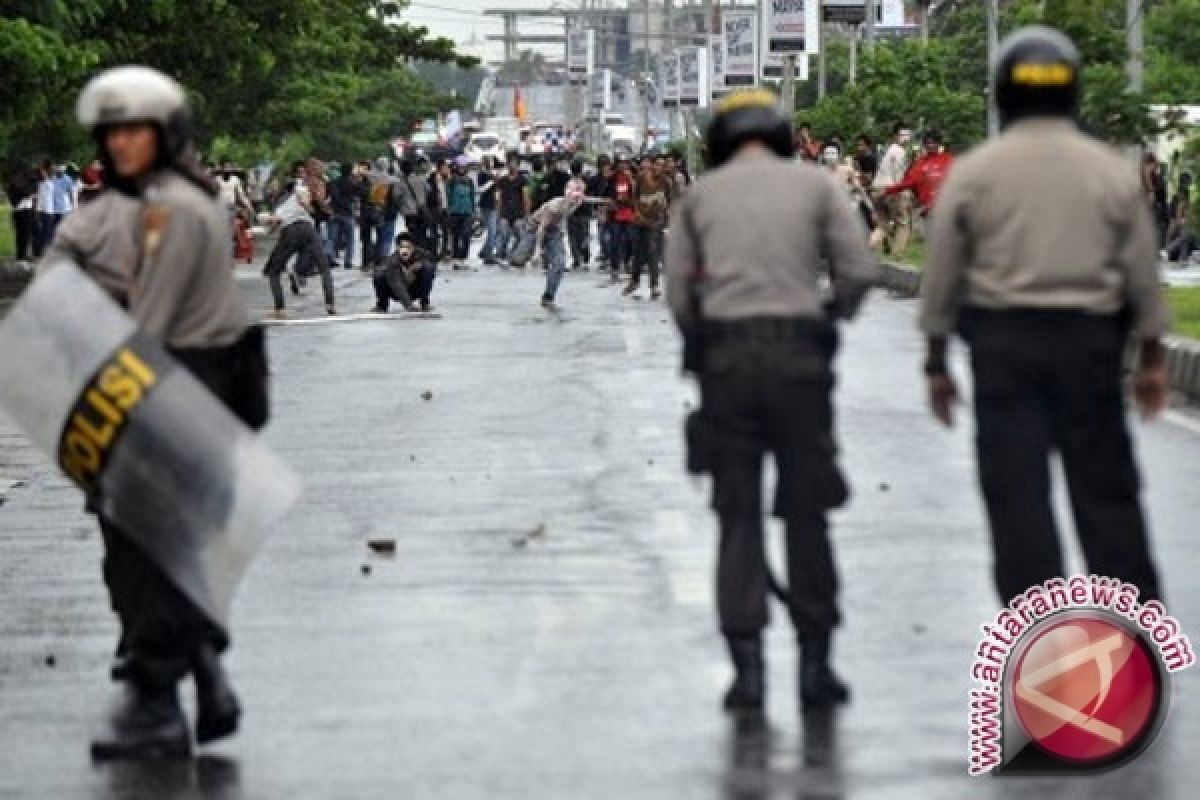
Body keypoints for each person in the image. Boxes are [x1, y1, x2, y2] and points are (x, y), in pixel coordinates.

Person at [43, 65, 271, 760]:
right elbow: (59, 268)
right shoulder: (117, 208)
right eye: (112, 133)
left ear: (167, 135)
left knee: (145, 551)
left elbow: (146, 322)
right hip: (142, 380)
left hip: (174, 382)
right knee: (147, 549)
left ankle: (157, 704)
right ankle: (202, 675)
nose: (122, 145)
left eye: (136, 132)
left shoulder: (177, 209)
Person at [919, 26, 1166, 609]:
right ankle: (1140, 634)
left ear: (1003, 92)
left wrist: (935, 363)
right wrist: (1153, 358)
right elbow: (1142, 273)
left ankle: (1042, 644)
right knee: (1106, 496)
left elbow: (943, 275)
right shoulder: (1108, 170)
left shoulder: (976, 174)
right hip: (1090, 348)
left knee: (1018, 503)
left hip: (1004, 351)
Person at [666, 89, 875, 717]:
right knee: (808, 511)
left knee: (738, 516)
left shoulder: (701, 196)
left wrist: (706, 337)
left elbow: (678, 291)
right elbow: (858, 270)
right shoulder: (816, 187)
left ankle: (748, 672)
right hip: (800, 362)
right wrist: (828, 315)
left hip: (727, 365)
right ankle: (815, 664)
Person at [262, 183, 337, 318]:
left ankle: (280, 308)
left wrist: (265, 220)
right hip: (309, 230)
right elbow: (304, 199)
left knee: (273, 271)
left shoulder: (281, 204)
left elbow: (274, 223)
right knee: (324, 268)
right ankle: (330, 304)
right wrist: (306, 204)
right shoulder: (298, 193)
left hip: (290, 232)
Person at [882, 129, 954, 231]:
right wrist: (887, 190)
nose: (930, 145)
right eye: (928, 143)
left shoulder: (948, 160)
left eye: (933, 142)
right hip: (928, 211)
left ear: (939, 143)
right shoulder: (920, 163)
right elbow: (907, 182)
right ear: (924, 145)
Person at [624, 153, 671, 299]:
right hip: (640, 220)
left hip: (656, 222)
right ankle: (635, 280)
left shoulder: (667, 182)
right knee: (638, 252)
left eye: (662, 166)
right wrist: (637, 213)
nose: (658, 168)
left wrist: (665, 220)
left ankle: (654, 285)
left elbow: (668, 202)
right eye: (657, 164)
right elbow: (634, 198)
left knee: (653, 252)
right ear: (652, 165)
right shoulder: (641, 178)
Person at [531, 182, 584, 310]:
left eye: (578, 197)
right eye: (574, 196)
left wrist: (605, 201)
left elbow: (588, 199)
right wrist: (537, 251)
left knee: (559, 263)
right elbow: (542, 228)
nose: (575, 200)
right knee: (517, 259)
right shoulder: (555, 205)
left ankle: (548, 296)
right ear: (567, 195)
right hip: (535, 227)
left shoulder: (578, 201)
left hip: (554, 231)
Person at [873, 124, 913, 256]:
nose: (906, 138)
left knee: (882, 226)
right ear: (895, 136)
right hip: (891, 189)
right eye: (903, 135)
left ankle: (869, 249)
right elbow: (899, 176)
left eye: (908, 134)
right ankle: (897, 255)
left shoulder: (890, 149)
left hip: (877, 188)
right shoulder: (900, 152)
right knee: (903, 223)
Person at [372, 232, 436, 313]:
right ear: (397, 248)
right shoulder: (393, 261)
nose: (405, 250)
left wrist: (417, 267)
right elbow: (397, 284)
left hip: (415, 290)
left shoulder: (422, 255)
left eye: (408, 247)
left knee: (428, 269)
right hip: (396, 292)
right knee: (379, 274)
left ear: (413, 247)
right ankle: (382, 305)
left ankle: (424, 302)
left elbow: (431, 264)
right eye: (402, 247)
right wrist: (409, 305)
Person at [606, 156, 637, 282]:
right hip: (615, 214)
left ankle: (627, 261)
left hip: (628, 213)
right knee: (615, 241)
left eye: (625, 163)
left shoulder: (631, 179)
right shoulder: (611, 179)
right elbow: (606, 194)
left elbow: (635, 194)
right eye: (621, 163)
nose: (623, 166)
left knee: (630, 239)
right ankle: (615, 268)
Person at [494, 159, 529, 264]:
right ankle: (502, 255)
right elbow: (498, 197)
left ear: (518, 167)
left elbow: (525, 196)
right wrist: (498, 212)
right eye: (510, 165)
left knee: (521, 236)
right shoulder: (502, 180)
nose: (512, 167)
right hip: (505, 212)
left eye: (514, 165)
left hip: (518, 212)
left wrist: (526, 213)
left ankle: (514, 255)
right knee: (504, 235)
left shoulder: (522, 180)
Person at [327, 162, 359, 269]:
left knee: (332, 237)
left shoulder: (333, 182)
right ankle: (348, 261)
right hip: (348, 213)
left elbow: (333, 195)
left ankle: (329, 258)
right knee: (350, 239)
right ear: (350, 171)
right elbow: (358, 195)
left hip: (335, 212)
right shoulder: (352, 183)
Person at [446, 158, 477, 268]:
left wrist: (474, 212)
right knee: (455, 235)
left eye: (464, 167)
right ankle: (455, 257)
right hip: (455, 212)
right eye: (460, 167)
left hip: (467, 212)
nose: (462, 169)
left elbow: (472, 197)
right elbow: (448, 196)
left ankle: (463, 257)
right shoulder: (451, 181)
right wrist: (449, 209)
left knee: (466, 235)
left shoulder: (470, 181)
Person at [4, 164, 38, 261]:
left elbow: (11, 194)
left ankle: (20, 255)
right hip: (25, 211)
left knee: (20, 235)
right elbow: (29, 193)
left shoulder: (14, 182)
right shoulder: (26, 182)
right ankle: (23, 255)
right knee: (25, 234)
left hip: (17, 211)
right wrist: (33, 194)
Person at [566, 160, 591, 270]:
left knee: (573, 237)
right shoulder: (586, 181)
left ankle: (576, 259)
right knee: (584, 235)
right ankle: (585, 256)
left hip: (571, 212)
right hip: (584, 212)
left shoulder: (568, 182)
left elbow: (566, 197)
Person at [426, 158, 452, 263]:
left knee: (446, 231)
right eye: (445, 168)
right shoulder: (432, 178)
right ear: (439, 168)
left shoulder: (448, 179)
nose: (447, 170)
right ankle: (434, 252)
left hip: (446, 208)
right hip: (435, 208)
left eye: (447, 168)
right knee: (434, 231)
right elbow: (429, 193)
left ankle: (444, 251)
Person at [1165, 173, 1195, 264]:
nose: (1190, 184)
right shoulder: (1183, 192)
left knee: (1185, 235)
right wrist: (1180, 220)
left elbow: (1183, 208)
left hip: (1177, 219)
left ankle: (1183, 257)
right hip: (1176, 220)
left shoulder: (1182, 192)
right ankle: (1169, 249)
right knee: (1185, 235)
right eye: (1189, 181)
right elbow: (1180, 207)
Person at [477, 157, 500, 264]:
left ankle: (484, 251)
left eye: (490, 161)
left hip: (492, 205)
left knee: (493, 230)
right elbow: (480, 189)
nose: (490, 163)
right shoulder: (482, 174)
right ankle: (488, 255)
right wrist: (492, 181)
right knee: (492, 231)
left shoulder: (491, 174)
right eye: (487, 161)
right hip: (486, 206)